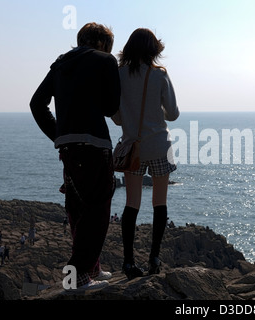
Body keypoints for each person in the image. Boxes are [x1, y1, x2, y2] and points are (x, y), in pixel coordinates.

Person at [30, 22, 121, 290]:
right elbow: (110, 107)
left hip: (68, 148)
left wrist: (59, 134)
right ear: (104, 44)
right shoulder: (105, 61)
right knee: (97, 209)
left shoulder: (60, 63)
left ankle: (92, 268)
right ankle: (77, 277)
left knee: (78, 207)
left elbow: (37, 104)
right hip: (94, 143)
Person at [112, 28, 179, 279]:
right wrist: (155, 114)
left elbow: (117, 118)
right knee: (160, 203)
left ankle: (128, 262)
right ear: (154, 50)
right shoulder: (160, 75)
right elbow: (172, 114)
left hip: (133, 148)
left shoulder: (119, 75)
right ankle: (154, 258)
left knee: (132, 205)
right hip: (161, 146)